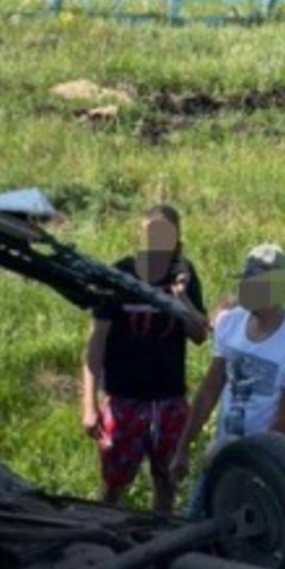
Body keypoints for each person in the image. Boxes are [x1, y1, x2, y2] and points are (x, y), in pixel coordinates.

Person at [82, 206, 210, 515]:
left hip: (169, 400)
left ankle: (158, 546)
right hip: (124, 400)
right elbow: (96, 341)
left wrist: (182, 297)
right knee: (114, 485)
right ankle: (101, 540)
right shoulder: (119, 275)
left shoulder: (185, 276)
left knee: (166, 485)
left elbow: (199, 334)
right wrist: (89, 404)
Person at [177, 242, 285, 478]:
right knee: (198, 511)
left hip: (264, 464)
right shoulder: (231, 322)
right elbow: (209, 390)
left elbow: (284, 423)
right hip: (223, 452)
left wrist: (249, 465)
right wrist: (183, 447)